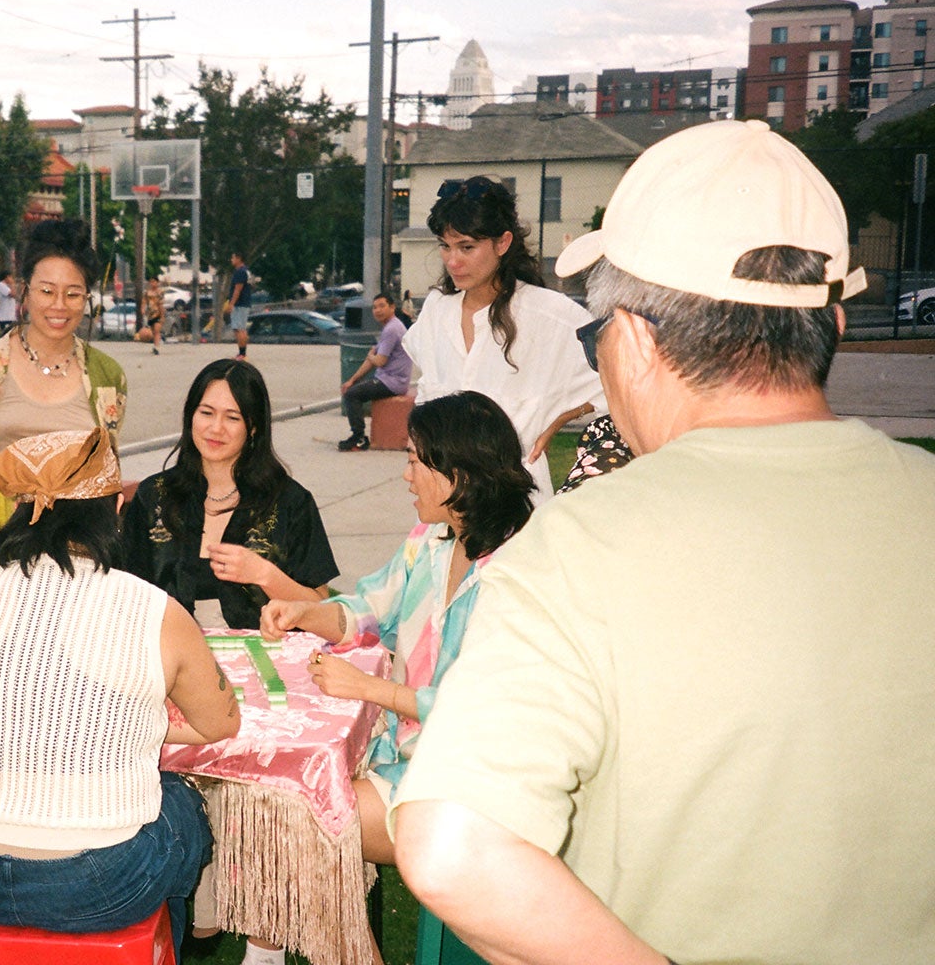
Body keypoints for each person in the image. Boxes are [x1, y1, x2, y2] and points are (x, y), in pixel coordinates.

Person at [393, 120, 935, 964]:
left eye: (596, 338)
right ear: (832, 318)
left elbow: (453, 845)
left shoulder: (570, 553)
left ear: (635, 342)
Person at [0, 428, 240, 945]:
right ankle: (172, 946)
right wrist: (140, 724)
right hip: (99, 881)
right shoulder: (149, 606)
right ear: (115, 508)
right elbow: (219, 723)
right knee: (180, 802)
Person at [259, 391, 532, 965]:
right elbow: (369, 610)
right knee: (293, 806)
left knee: (307, 817)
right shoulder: (429, 539)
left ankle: (273, 956)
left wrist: (369, 690)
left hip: (471, 783)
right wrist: (305, 612)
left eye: (414, 460)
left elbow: (488, 708)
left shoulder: (519, 572)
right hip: (404, 758)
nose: (405, 474)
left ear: (456, 473)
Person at [0, 218, 127, 594]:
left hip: (79, 556)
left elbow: (106, 474)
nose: (59, 306)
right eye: (47, 291)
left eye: (74, 294)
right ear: (24, 291)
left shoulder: (108, 377)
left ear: (88, 299)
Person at [401, 176, 603, 493]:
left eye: (467, 247)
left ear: (503, 243)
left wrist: (563, 416)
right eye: (445, 246)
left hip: (515, 510)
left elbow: (621, 383)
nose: (453, 261)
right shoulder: (437, 311)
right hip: (444, 509)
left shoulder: (550, 316)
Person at [121, 359, 337, 631]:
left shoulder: (290, 502)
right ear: (191, 416)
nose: (216, 428)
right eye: (207, 413)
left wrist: (265, 575)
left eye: (232, 417)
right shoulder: (153, 497)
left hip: (265, 661)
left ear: (254, 427)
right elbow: (123, 595)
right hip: (169, 661)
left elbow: (322, 611)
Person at [338, 291, 414, 451]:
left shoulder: (392, 329)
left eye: (382, 306)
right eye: (374, 307)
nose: (377, 310)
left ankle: (358, 437)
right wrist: (352, 380)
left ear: (392, 307)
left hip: (393, 382)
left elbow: (378, 360)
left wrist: (371, 355)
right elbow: (371, 361)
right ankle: (358, 435)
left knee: (352, 395)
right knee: (353, 389)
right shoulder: (391, 327)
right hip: (390, 379)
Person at [223, 252, 251, 359]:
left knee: (239, 329)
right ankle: (242, 352)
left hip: (240, 304)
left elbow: (237, 289)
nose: (231, 259)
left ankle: (242, 353)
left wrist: (231, 304)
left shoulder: (240, 272)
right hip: (245, 302)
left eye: (233, 257)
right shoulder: (246, 271)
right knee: (241, 328)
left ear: (239, 258)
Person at [142, 277, 165, 354]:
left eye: (154, 282)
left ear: (157, 283)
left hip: (158, 313)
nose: (152, 283)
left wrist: (162, 316)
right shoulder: (147, 293)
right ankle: (157, 343)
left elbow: (161, 304)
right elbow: (144, 302)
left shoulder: (160, 292)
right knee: (153, 332)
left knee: (156, 330)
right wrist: (142, 309)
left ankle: (157, 348)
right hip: (150, 314)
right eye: (151, 282)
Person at [0, 270, 17, 334]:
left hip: (11, 317)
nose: (12, 279)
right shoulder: (1, 285)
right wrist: (12, 284)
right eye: (11, 277)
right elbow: (13, 294)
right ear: (7, 277)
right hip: (5, 317)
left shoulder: (6, 286)